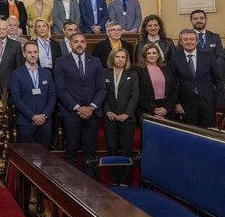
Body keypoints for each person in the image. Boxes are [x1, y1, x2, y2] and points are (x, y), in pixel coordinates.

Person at [54, 33, 106, 179]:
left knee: (90, 150)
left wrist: (91, 107)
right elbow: (60, 89)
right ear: (70, 44)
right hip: (71, 113)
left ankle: (91, 182)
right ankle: (72, 182)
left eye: (82, 42)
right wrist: (77, 107)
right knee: (71, 149)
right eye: (76, 41)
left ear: (86, 44)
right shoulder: (61, 62)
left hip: (92, 113)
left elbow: (101, 88)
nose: (79, 44)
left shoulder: (95, 61)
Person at [171, 29, 224, 128]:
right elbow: (173, 84)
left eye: (192, 39)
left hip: (208, 101)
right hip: (186, 103)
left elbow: (218, 80)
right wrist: (177, 103)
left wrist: (219, 102)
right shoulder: (175, 59)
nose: (189, 42)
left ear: (197, 41)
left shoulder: (209, 57)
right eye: (185, 39)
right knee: (190, 133)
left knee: (209, 133)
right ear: (181, 42)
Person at [103, 47, 139, 187]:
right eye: (117, 57)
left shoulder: (133, 74)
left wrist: (127, 113)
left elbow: (135, 96)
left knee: (126, 149)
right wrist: (107, 111)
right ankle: (113, 179)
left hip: (127, 117)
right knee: (111, 148)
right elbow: (102, 93)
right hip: (110, 117)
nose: (120, 59)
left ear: (126, 59)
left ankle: (124, 180)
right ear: (113, 58)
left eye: (123, 57)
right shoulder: (104, 73)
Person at [10, 41, 56, 148]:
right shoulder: (16, 74)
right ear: (24, 54)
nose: (32, 55)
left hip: (45, 121)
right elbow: (16, 98)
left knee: (45, 156)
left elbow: (52, 96)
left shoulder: (47, 73)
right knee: (27, 156)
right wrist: (32, 116)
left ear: (38, 53)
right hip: (25, 122)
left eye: (35, 52)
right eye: (29, 52)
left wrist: (44, 115)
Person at [136, 43, 179, 120]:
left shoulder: (167, 68)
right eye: (148, 53)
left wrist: (166, 108)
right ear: (144, 55)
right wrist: (153, 109)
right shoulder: (137, 70)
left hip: (167, 109)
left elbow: (174, 90)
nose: (152, 55)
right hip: (147, 109)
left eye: (154, 53)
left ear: (158, 55)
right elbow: (136, 92)